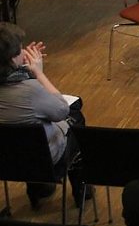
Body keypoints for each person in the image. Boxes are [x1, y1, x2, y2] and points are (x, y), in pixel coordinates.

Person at [0, 22, 89, 208]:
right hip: (43, 157)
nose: (24, 52)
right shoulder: (29, 90)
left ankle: (38, 189)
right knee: (75, 117)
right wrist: (38, 73)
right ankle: (82, 189)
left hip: (5, 160)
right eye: (19, 51)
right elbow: (61, 110)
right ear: (10, 59)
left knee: (19, 135)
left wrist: (23, 68)